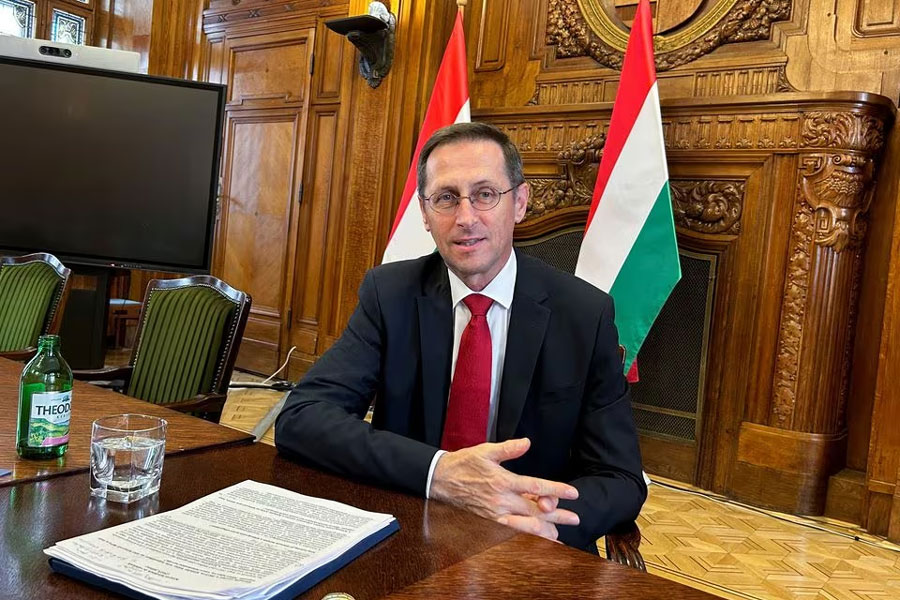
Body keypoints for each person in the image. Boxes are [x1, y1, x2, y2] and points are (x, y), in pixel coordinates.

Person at [275, 122, 646, 552]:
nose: (466, 218)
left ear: (520, 203)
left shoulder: (583, 313)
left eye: (485, 194)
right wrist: (438, 473)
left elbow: (621, 477)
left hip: (527, 550)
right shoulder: (390, 295)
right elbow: (301, 418)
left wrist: (536, 518)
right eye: (446, 198)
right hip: (407, 536)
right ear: (424, 213)